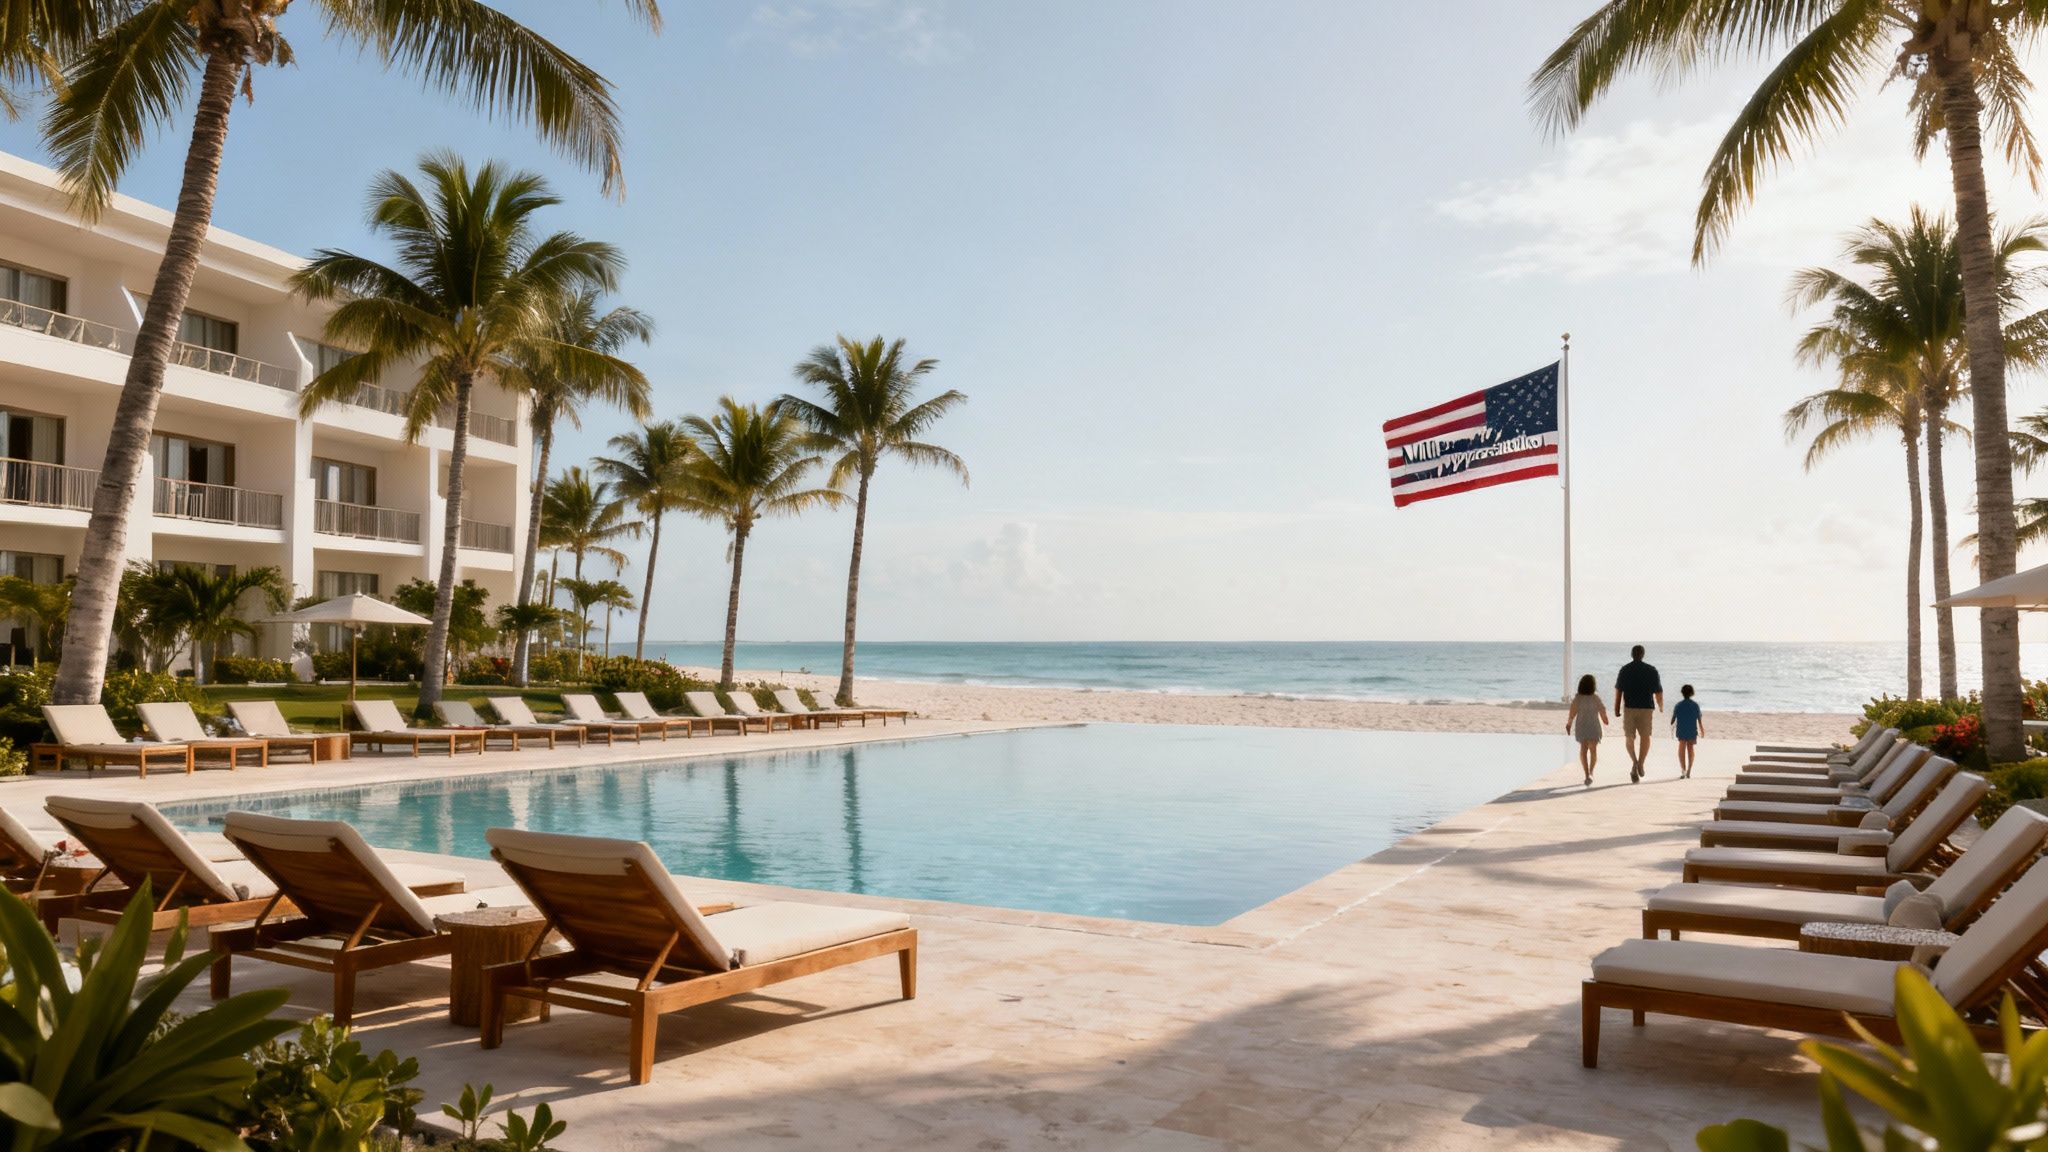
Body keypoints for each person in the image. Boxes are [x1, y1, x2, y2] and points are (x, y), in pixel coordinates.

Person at [1613, 644, 1663, 783]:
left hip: (1629, 708)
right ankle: (1640, 763)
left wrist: (1616, 708)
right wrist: (1661, 706)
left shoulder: (1625, 670)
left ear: (1632, 654)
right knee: (1645, 737)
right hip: (1646, 708)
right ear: (1643, 654)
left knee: (1629, 738)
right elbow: (1658, 691)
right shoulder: (1651, 670)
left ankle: (1635, 763)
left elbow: (1618, 691)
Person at [1567, 672, 1608, 787]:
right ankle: (1589, 773)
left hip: (1582, 726)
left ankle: (1588, 774)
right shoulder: (1595, 697)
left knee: (1583, 750)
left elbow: (1572, 712)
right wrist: (1605, 719)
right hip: (1594, 726)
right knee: (1593, 750)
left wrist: (1569, 724)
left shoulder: (1578, 698)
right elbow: (1602, 710)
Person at [1671, 685, 1703, 779]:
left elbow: (1672, 720)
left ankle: (1683, 770)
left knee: (1681, 748)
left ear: (1682, 693)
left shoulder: (1678, 705)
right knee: (1690, 749)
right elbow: (1699, 720)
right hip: (1692, 729)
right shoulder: (1695, 705)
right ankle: (1689, 770)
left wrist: (1674, 720)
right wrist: (1702, 730)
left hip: (1681, 729)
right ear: (1692, 693)